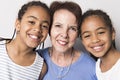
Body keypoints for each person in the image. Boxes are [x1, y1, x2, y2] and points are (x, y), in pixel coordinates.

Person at [38, 1, 97, 80]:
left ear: (78, 33)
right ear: (49, 29)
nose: (64, 34)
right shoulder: (36, 58)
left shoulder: (91, 67)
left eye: (72, 28)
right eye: (58, 26)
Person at [0, 1, 51, 80]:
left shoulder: (41, 68)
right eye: (31, 22)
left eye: (44, 26)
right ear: (18, 24)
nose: (37, 29)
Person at [80, 9, 120, 80]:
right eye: (87, 36)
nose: (95, 40)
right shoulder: (96, 67)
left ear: (112, 33)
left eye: (100, 32)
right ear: (82, 41)